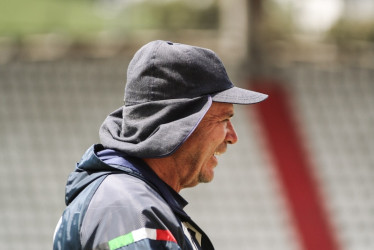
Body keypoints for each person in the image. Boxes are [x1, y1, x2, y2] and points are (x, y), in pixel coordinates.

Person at [53, 40, 268, 250]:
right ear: (179, 123)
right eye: (223, 119)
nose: (232, 137)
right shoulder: (127, 209)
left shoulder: (134, 204)